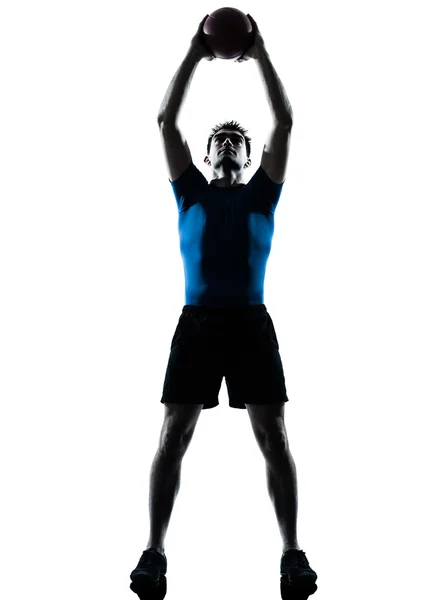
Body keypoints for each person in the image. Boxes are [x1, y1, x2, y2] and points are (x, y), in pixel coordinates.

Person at [130, 14, 318, 599]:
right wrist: (194, 52)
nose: (230, 144)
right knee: (173, 434)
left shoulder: (265, 192)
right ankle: (154, 553)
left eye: (239, 140)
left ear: (248, 153)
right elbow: (165, 121)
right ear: (211, 157)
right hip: (199, 323)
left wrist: (258, 54)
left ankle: (291, 555)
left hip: (252, 323)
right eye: (221, 141)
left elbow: (285, 121)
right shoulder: (190, 193)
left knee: (274, 437)